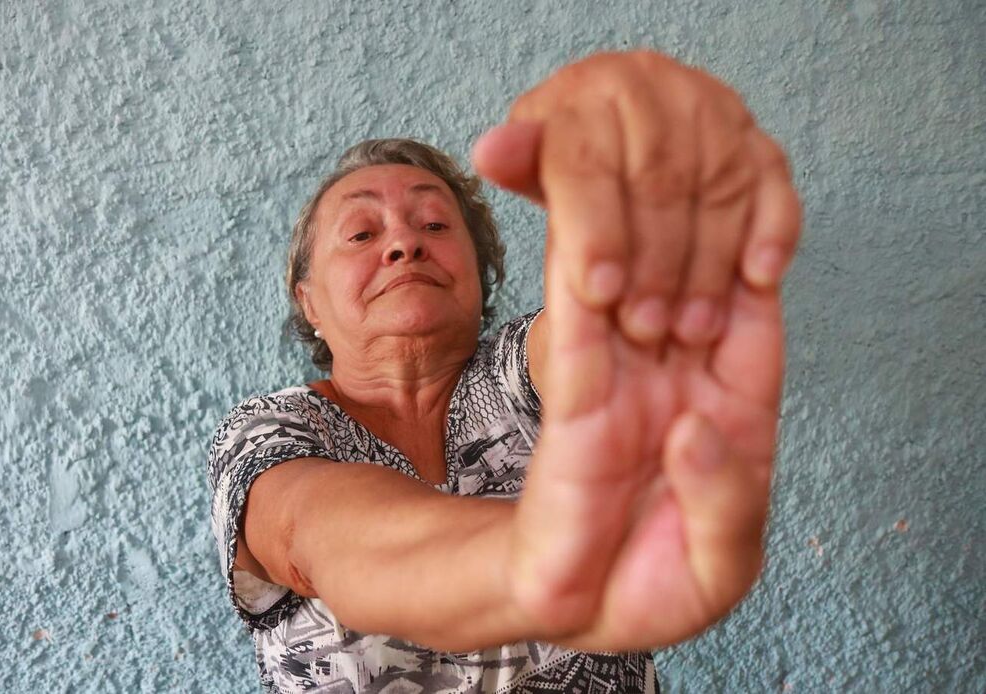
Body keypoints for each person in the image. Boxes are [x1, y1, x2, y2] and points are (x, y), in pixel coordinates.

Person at [207, 50, 801, 693]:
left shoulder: (515, 378)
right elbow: (326, 540)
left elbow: (587, 338)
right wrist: (544, 558)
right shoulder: (274, 431)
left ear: (479, 273)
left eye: (434, 223)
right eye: (360, 234)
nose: (405, 243)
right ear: (309, 301)